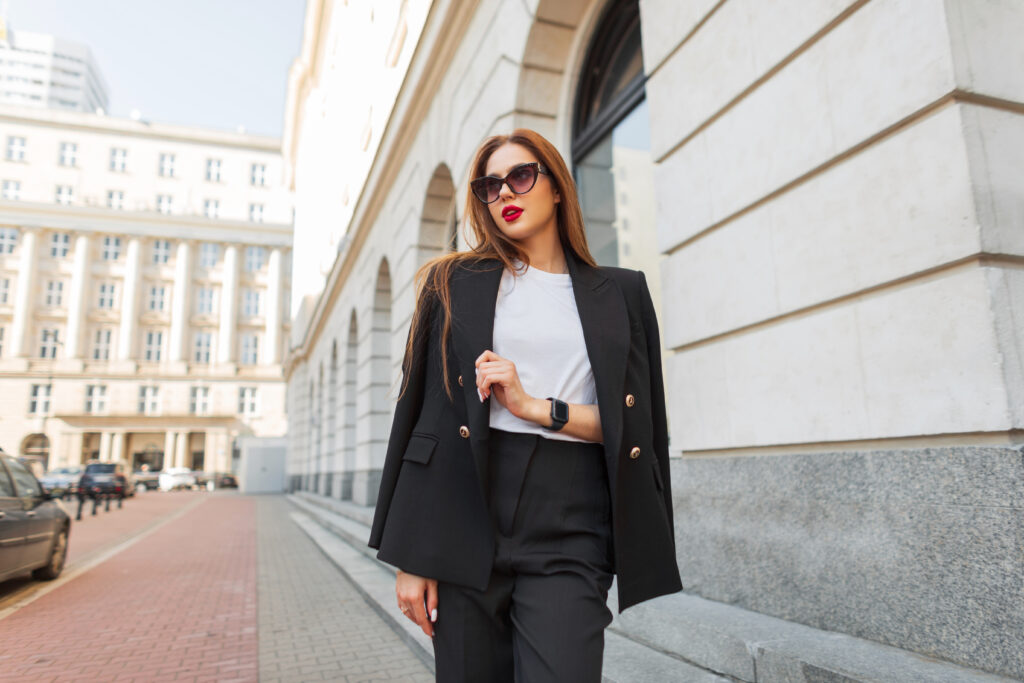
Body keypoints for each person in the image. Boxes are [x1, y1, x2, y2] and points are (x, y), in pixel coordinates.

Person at [369, 128, 682, 682]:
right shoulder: (453, 283)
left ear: (557, 186)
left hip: (571, 521)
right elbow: (423, 419)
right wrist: (412, 555)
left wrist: (538, 406)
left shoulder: (623, 292)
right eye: (490, 186)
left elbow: (638, 428)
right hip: (467, 508)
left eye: (520, 176)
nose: (505, 194)